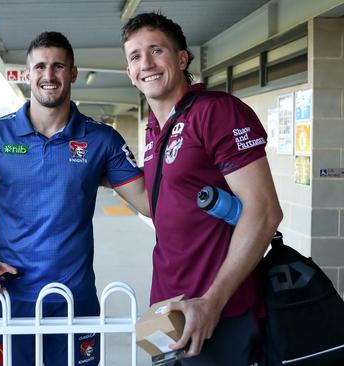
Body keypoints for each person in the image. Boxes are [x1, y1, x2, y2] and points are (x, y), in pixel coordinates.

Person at [0, 31, 149, 366]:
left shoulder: (101, 139)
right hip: (13, 298)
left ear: (73, 73)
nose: (48, 76)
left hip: (75, 298)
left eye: (58, 66)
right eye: (40, 67)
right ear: (27, 74)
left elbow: (149, 202)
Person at [121, 13, 283, 365]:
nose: (145, 63)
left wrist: (212, 301)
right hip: (165, 308)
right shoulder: (153, 130)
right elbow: (157, 205)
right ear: (129, 73)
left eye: (156, 50)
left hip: (218, 309)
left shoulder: (216, 112)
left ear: (181, 59)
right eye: (135, 56)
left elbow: (265, 210)